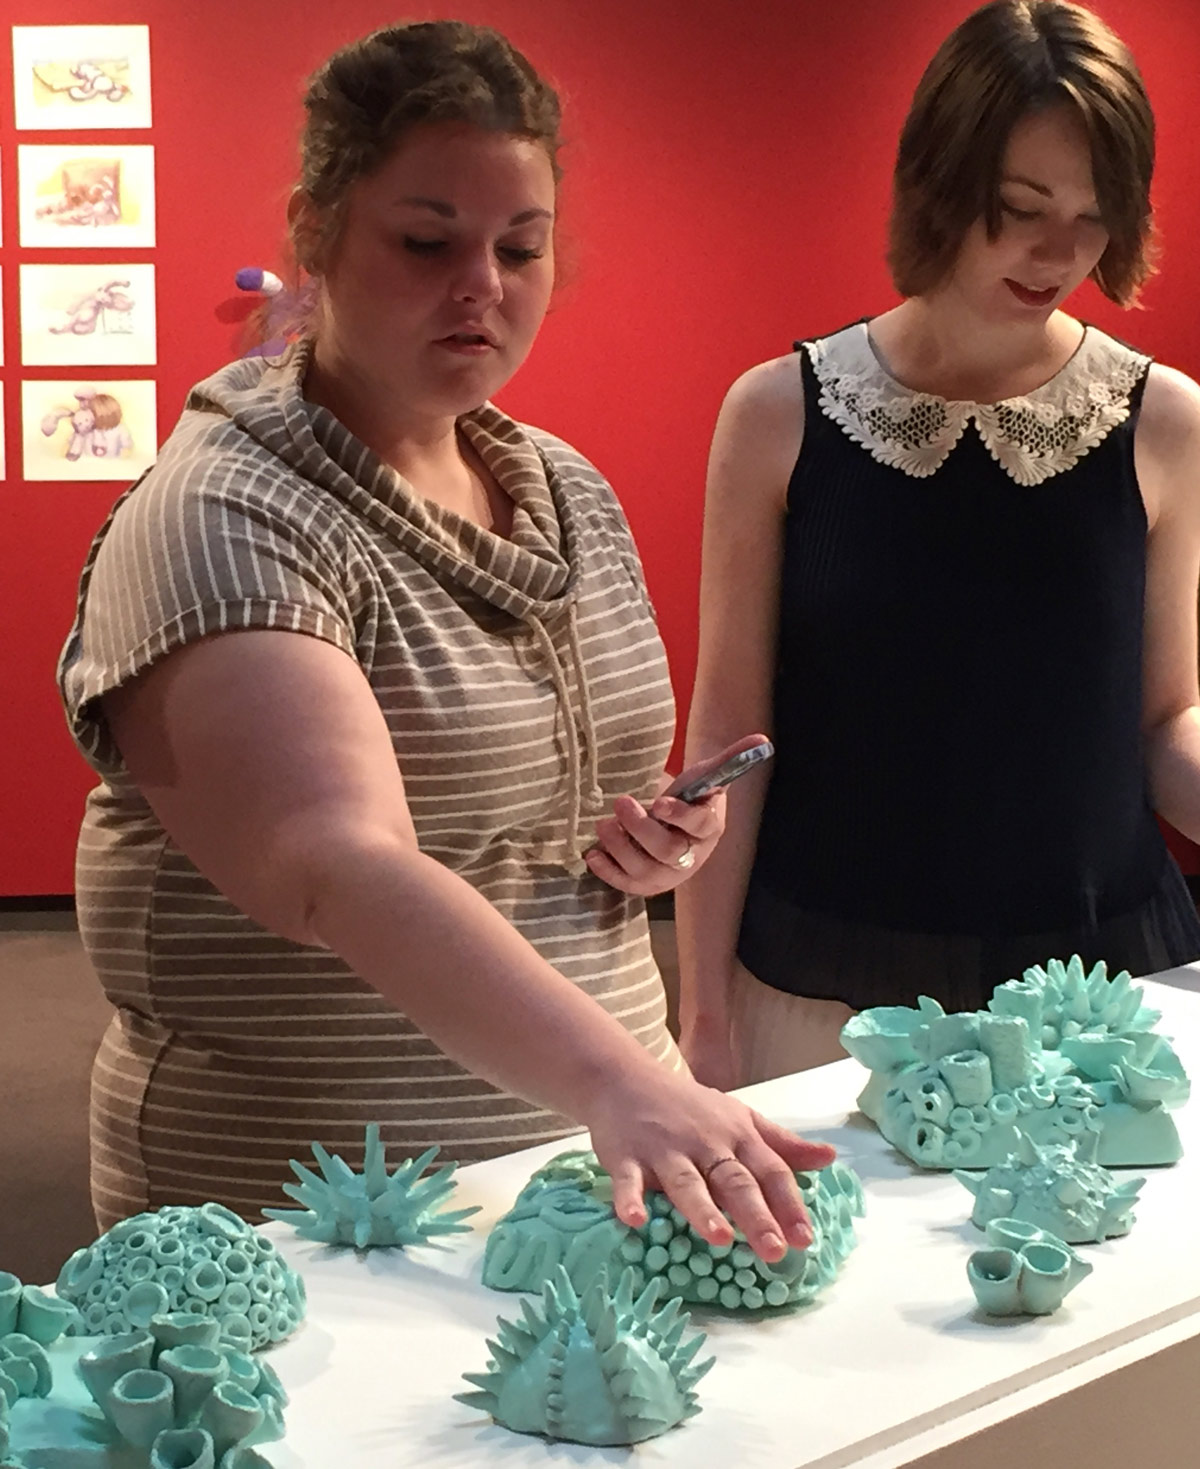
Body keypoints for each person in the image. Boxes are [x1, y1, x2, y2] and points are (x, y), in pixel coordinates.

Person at [57, 21, 834, 1257]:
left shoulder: (561, 486)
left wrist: (653, 843)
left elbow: (548, 807)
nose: (483, 284)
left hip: (578, 1178)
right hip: (322, 1211)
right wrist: (620, 1079)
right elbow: (334, 862)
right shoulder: (221, 512)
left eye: (519, 248)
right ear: (316, 234)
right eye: (428, 242)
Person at [677, 0, 1200, 1091]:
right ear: (941, 183)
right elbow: (732, 732)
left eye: (1097, 218)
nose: (1061, 253)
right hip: (822, 998)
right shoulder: (779, 413)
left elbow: (1162, 723)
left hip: (1098, 1006)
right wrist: (703, 1008)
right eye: (1021, 208)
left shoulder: (1167, 422)